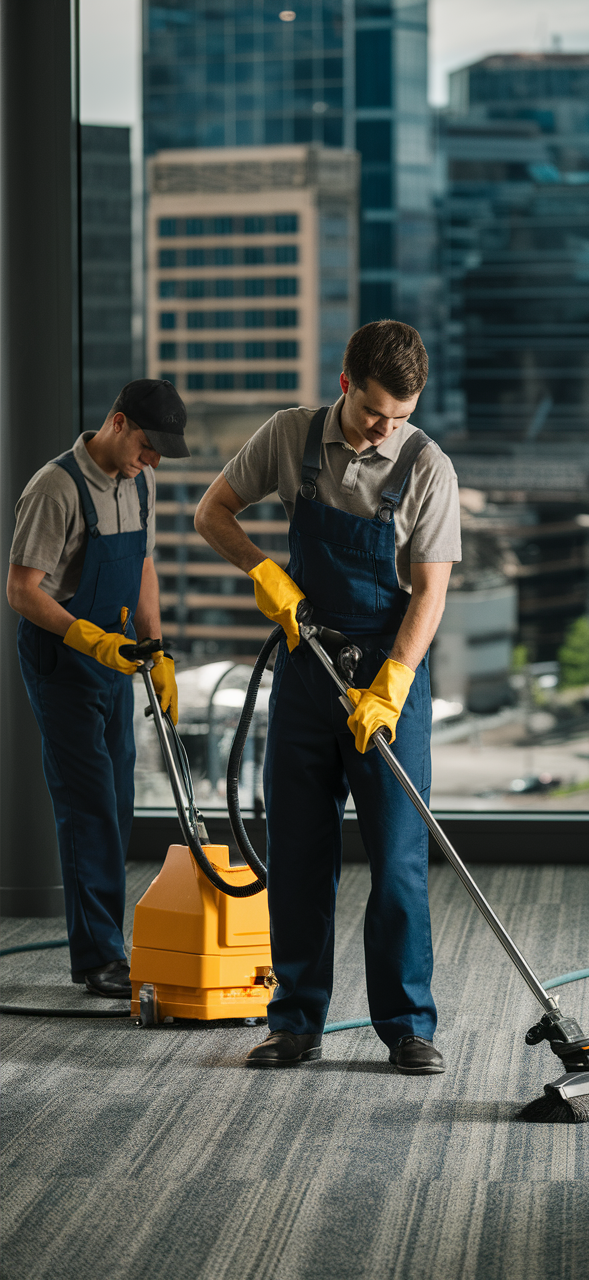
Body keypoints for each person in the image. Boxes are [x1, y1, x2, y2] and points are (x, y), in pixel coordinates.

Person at [195, 321, 461, 1073]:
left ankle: (406, 1025)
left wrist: (394, 684)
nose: (386, 429)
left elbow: (431, 593)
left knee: (399, 861)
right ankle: (295, 1021)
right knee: (299, 853)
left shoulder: (428, 467)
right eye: (376, 412)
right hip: (307, 673)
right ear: (345, 384)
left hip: (387, 675)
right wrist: (263, 574)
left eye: (402, 416)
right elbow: (212, 512)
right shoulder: (289, 437)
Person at [6, 379, 188, 998]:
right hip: (62, 657)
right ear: (116, 423)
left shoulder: (141, 482)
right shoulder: (55, 487)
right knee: (87, 804)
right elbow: (22, 589)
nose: (152, 459)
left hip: (118, 656)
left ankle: (106, 940)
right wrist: (86, 638)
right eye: (146, 444)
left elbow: (140, 564)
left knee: (115, 801)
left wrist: (156, 649)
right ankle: (97, 958)